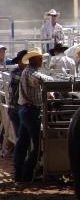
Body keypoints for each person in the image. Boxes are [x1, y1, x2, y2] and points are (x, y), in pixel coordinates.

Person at [14, 47, 54, 182]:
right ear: (33, 60)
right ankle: (27, 174)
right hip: (31, 111)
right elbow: (43, 79)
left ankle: (19, 174)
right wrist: (56, 80)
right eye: (39, 58)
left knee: (22, 143)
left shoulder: (28, 71)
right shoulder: (31, 72)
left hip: (25, 110)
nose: (41, 60)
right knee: (38, 145)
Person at [7, 50, 28, 141]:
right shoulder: (16, 73)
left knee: (22, 138)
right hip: (16, 110)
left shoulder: (22, 72)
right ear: (20, 62)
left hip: (18, 109)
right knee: (21, 139)